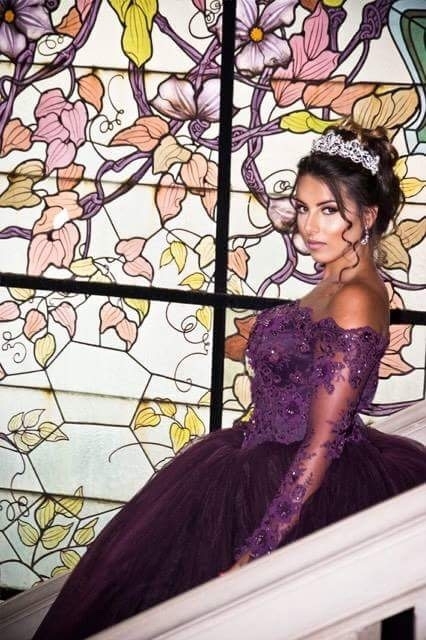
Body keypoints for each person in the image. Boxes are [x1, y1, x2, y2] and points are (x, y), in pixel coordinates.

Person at [33, 122, 426, 639]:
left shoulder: (356, 298)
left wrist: (256, 550)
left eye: (328, 210)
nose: (309, 226)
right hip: (252, 455)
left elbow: (322, 443)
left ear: (367, 216)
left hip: (296, 480)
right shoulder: (332, 284)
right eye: (303, 207)